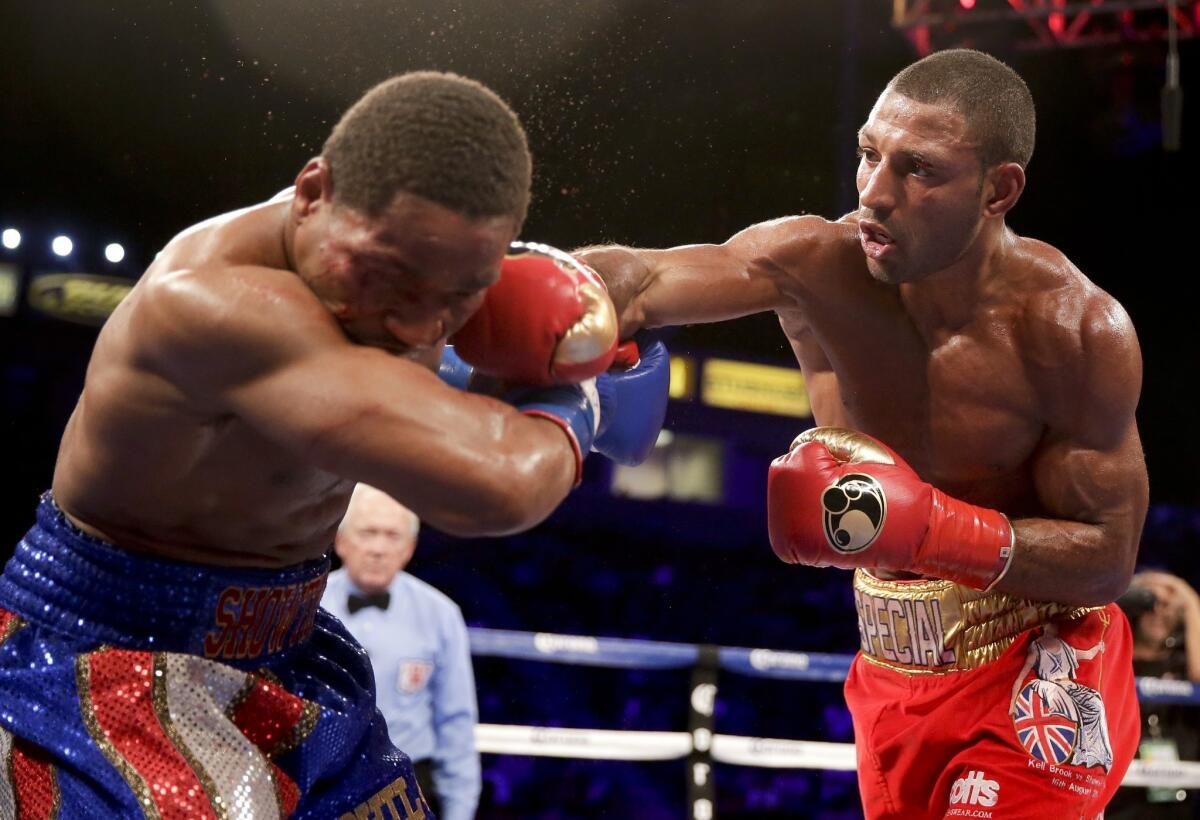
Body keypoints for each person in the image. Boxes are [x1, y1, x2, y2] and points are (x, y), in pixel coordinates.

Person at [0, 71, 667, 818]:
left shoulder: (419, 287)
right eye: (386, 273)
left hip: (293, 648)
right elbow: (503, 485)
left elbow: (744, 265)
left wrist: (805, 261)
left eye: (457, 295)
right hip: (108, 661)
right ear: (313, 191)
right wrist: (580, 396)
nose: (422, 328)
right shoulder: (215, 304)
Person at [578, 48, 1147, 819]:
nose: (875, 193)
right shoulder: (815, 266)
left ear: (998, 190)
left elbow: (1109, 557)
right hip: (890, 672)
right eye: (868, 155)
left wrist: (933, 530)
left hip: (1038, 666)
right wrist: (516, 290)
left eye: (918, 169)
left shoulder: (1072, 330)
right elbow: (637, 283)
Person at [323, 485, 480, 820]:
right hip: (320, 780)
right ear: (341, 541)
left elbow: (456, 722)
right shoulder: (309, 606)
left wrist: (460, 812)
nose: (378, 548)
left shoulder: (440, 614)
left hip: (408, 787)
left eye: (392, 535)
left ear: (409, 548)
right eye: (368, 533)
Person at [1108, 570, 1200, 818]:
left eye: (1170, 605)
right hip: (1121, 800)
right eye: (1152, 601)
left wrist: (1189, 599)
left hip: (1175, 803)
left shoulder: (1182, 663)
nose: (1161, 611)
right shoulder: (1115, 657)